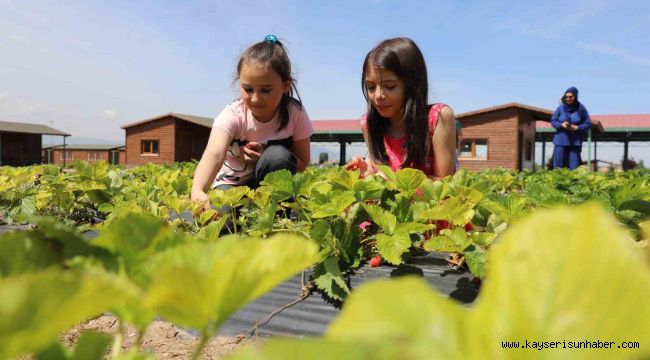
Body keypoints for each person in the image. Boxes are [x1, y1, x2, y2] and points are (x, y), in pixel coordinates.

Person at [191, 35, 313, 208]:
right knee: (224, 218)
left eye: (265, 90)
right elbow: (214, 155)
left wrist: (264, 160)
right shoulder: (233, 114)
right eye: (248, 89)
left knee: (277, 157)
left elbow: (301, 163)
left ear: (285, 86)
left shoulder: (295, 113)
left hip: (270, 188)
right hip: (233, 185)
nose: (255, 99)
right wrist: (198, 190)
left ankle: (277, 212)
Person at [345, 37, 456, 179]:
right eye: (371, 87)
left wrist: (392, 182)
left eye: (390, 86)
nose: (378, 95)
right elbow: (379, 174)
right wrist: (369, 173)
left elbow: (444, 185)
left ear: (412, 84)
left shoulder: (437, 118)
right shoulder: (368, 124)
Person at [551, 86, 591, 170]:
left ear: (575, 96)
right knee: (559, 166)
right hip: (560, 141)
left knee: (574, 167)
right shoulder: (560, 108)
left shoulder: (581, 109)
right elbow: (553, 121)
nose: (568, 99)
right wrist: (561, 125)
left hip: (574, 142)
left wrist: (577, 128)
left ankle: (573, 183)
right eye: (566, 97)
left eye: (570, 97)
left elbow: (587, 124)